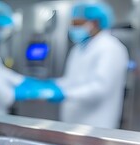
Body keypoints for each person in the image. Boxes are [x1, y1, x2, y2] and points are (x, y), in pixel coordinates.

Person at [22, 1, 128, 129]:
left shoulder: (110, 48)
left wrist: (63, 94)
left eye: (77, 23)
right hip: (72, 121)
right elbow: (71, 80)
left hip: (97, 124)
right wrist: (50, 85)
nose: (73, 28)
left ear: (94, 23)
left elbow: (100, 88)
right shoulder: (78, 48)